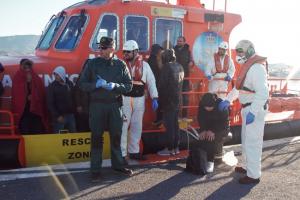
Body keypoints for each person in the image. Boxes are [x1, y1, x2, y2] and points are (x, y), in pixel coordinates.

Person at [78, 36, 133, 182]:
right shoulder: (92, 64)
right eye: (100, 47)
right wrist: (94, 85)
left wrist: (115, 86)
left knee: (116, 136)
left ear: (112, 49)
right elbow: (82, 84)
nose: (100, 50)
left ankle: (118, 166)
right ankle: (95, 170)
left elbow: (129, 86)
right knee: (96, 138)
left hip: (114, 105)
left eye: (103, 48)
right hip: (97, 106)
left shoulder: (121, 65)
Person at [218, 40, 269, 184]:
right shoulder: (248, 67)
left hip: (254, 109)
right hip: (247, 108)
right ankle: (247, 167)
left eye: (240, 52)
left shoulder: (257, 68)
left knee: (253, 143)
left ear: (249, 52)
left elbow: (263, 93)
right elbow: (239, 88)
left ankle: (253, 175)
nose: (238, 54)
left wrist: (253, 111)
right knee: (247, 141)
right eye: (238, 51)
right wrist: (228, 100)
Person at [121, 40, 159, 160]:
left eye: (128, 52)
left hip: (139, 99)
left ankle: (134, 152)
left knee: (137, 126)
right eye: (125, 52)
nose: (126, 54)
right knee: (122, 126)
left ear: (135, 51)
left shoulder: (145, 66)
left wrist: (154, 97)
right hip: (125, 99)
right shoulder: (121, 65)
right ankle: (121, 154)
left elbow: (151, 82)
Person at [157, 49, 184, 156]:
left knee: (169, 125)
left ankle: (169, 148)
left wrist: (160, 100)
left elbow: (162, 85)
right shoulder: (180, 66)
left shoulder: (166, 67)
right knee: (175, 124)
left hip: (168, 100)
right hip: (178, 99)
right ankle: (175, 148)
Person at [12, 59, 47, 134]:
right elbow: (17, 95)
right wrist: (26, 97)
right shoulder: (17, 77)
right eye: (25, 67)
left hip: (35, 111)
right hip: (24, 112)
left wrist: (34, 97)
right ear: (21, 67)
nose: (27, 70)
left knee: (37, 130)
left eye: (29, 68)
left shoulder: (36, 78)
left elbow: (41, 93)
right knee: (25, 130)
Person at [196, 93, 230, 173]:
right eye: (206, 107)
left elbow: (224, 123)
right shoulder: (202, 104)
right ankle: (202, 159)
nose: (208, 109)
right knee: (202, 137)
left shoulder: (221, 105)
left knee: (210, 138)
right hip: (208, 128)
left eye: (210, 107)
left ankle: (210, 161)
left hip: (222, 128)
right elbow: (200, 118)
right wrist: (203, 130)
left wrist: (214, 131)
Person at [47, 66, 76, 133]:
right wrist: (57, 116)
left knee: (73, 135)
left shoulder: (69, 84)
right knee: (59, 137)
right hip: (59, 116)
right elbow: (50, 103)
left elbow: (73, 98)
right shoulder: (52, 87)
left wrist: (74, 110)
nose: (56, 76)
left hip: (70, 115)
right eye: (55, 75)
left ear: (62, 74)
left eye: (57, 75)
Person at [174, 36, 194, 118]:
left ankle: (184, 116)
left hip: (185, 77)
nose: (179, 42)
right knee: (176, 97)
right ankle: (176, 116)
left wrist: (191, 63)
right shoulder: (173, 50)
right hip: (175, 77)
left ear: (184, 42)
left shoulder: (188, 51)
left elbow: (192, 61)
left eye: (181, 41)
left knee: (185, 97)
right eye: (178, 41)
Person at [147, 44, 164, 127]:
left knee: (159, 103)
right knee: (160, 103)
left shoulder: (150, 60)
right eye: (160, 50)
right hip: (158, 84)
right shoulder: (156, 60)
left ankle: (159, 119)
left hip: (155, 84)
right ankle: (159, 120)